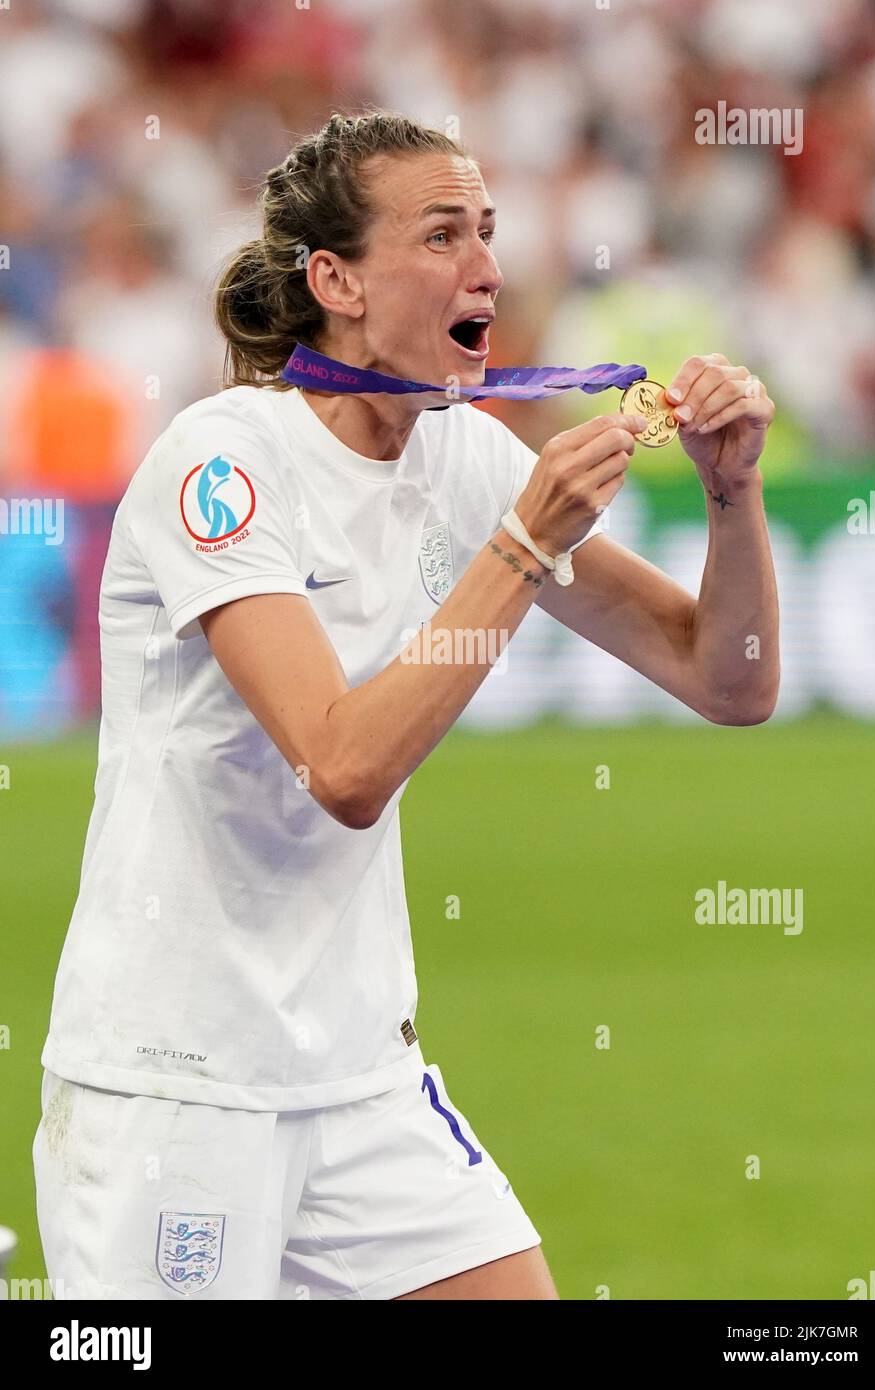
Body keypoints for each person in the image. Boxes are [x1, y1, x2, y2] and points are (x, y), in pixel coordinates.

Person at [33, 111, 779, 1301]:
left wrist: (731, 498)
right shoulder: (220, 462)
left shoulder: (465, 458)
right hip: (180, 1086)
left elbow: (727, 679)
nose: (485, 263)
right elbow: (340, 768)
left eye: (486, 230)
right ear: (333, 280)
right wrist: (525, 542)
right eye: (440, 234)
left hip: (360, 1080)